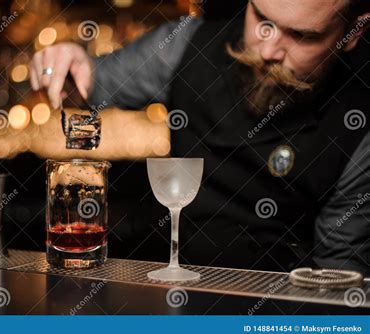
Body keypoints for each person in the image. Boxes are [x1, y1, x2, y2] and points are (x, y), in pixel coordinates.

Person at [30, 0, 370, 275]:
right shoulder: (185, 43)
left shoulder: (358, 128)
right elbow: (91, 85)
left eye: (301, 36)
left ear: (354, 31)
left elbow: (337, 279)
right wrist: (66, 64)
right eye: (261, 18)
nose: (267, 50)